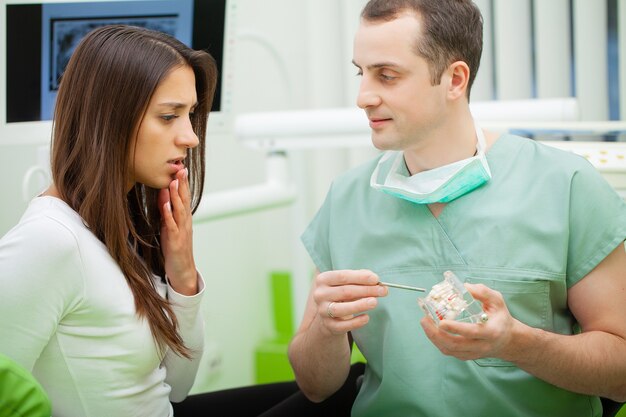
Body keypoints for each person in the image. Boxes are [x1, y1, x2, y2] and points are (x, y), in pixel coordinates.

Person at [288, 1, 626, 416]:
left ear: (454, 79)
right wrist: (324, 329)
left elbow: (621, 373)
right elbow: (315, 387)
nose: (363, 97)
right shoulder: (347, 200)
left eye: (387, 75)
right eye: (361, 72)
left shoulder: (566, 185)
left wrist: (515, 343)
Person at [0, 25, 217, 416]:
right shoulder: (48, 242)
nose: (190, 137)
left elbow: (177, 387)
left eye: (190, 115)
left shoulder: (124, 228)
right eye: (169, 116)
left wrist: (182, 274)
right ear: (109, 119)